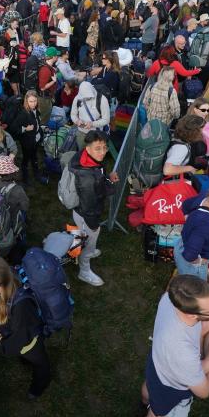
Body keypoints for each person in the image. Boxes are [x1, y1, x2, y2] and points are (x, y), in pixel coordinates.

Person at [140, 274, 209, 417]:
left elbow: (208, 325)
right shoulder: (183, 353)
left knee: (149, 385)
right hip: (170, 386)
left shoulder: (171, 297)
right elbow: (204, 391)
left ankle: (144, 401)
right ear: (191, 315)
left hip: (157, 361)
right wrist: (208, 362)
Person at [0, 257, 51, 399]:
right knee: (25, 356)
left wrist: (2, 342)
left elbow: (20, 338)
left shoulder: (21, 306)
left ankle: (39, 386)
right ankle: (25, 360)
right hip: (16, 334)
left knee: (41, 364)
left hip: (31, 343)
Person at [67, 130, 118, 286]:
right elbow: (91, 207)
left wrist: (105, 178)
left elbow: (99, 178)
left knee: (81, 235)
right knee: (88, 239)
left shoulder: (85, 157)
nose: (102, 152)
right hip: (86, 215)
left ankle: (81, 249)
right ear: (88, 148)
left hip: (78, 210)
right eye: (98, 148)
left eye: (105, 147)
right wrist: (111, 182)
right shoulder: (88, 179)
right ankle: (84, 270)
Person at [10, 90, 48, 185]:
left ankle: (36, 175)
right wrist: (25, 129)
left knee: (34, 158)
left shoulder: (36, 110)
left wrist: (40, 130)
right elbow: (14, 128)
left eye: (35, 101)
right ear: (26, 101)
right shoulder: (23, 113)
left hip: (35, 140)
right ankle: (25, 179)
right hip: (27, 142)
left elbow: (37, 123)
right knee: (26, 159)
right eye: (31, 101)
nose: (33, 103)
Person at [69, 81, 111, 148]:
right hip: (81, 132)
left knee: (95, 154)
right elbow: (73, 115)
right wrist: (77, 121)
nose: (86, 99)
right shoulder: (77, 98)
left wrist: (92, 124)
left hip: (96, 134)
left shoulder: (102, 100)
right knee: (82, 152)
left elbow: (106, 120)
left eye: (88, 97)